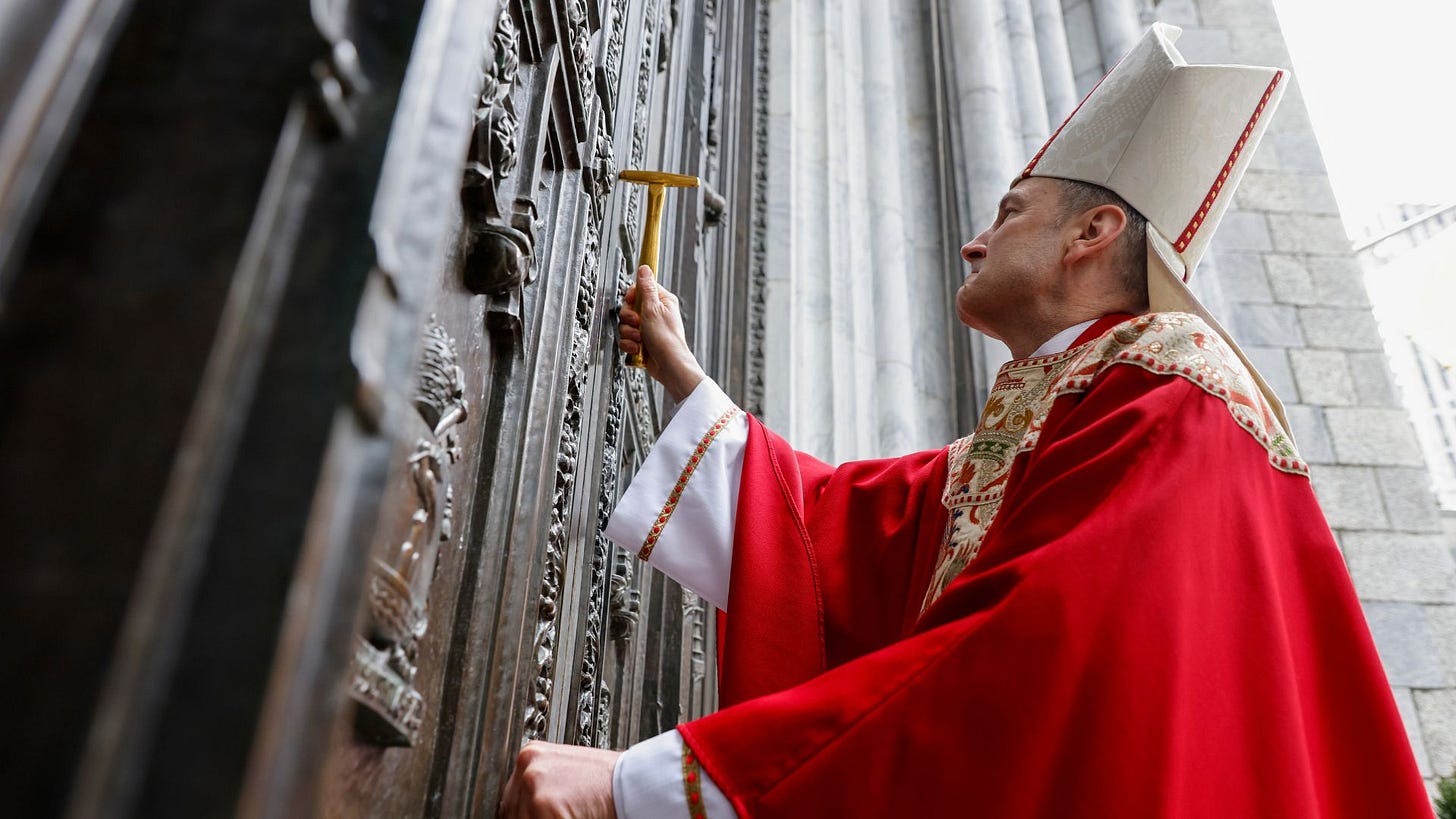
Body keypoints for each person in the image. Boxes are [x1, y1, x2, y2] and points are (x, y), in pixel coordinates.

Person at [500, 24, 1431, 818]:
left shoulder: (1174, 401)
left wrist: (644, 784)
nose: (976, 238)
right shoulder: (1068, 408)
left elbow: (1029, 660)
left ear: (1092, 233)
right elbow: (837, 529)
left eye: (1011, 210)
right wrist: (683, 372)